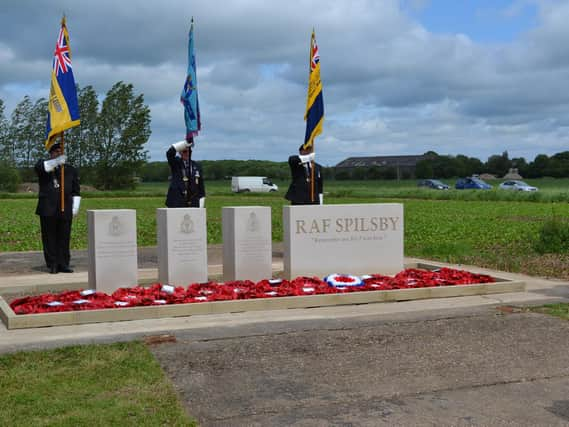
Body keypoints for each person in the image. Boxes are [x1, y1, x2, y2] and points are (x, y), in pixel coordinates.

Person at [35, 142, 81, 274]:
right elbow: (41, 167)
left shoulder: (70, 170)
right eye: (56, 152)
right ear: (51, 153)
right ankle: (53, 264)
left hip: (65, 207)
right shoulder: (44, 166)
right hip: (48, 208)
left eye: (61, 152)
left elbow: (76, 190)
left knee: (64, 237)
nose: (59, 154)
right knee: (49, 237)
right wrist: (56, 162)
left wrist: (75, 207)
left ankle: (64, 264)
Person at [165, 136, 206, 208]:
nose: (188, 153)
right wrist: (184, 143)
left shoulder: (196, 166)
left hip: (193, 202)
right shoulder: (176, 163)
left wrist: (201, 202)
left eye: (190, 151)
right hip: (177, 201)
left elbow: (201, 186)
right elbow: (169, 153)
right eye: (185, 151)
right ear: (180, 152)